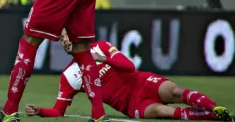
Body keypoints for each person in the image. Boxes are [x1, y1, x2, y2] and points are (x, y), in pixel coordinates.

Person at [25, 30, 235, 121]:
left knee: (175, 92)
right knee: (166, 112)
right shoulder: (69, 76)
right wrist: (40, 111)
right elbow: (58, 111)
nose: (66, 41)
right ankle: (216, 116)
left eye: (68, 36)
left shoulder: (102, 47)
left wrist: (103, 59)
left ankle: (213, 106)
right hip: (131, 104)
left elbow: (129, 67)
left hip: (142, 82)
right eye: (62, 40)